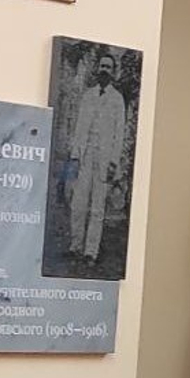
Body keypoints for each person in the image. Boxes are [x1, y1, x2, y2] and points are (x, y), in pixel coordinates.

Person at [67, 52, 128, 264]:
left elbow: (119, 135)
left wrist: (113, 162)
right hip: (85, 157)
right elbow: (80, 128)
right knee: (78, 203)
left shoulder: (117, 100)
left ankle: (90, 252)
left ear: (113, 72)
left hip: (104, 160)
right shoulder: (88, 96)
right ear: (97, 69)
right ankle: (75, 246)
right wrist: (75, 156)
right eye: (102, 66)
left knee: (97, 207)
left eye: (108, 67)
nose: (104, 70)